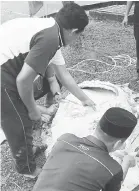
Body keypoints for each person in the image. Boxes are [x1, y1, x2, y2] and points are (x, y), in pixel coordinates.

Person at [1, 3, 95, 178]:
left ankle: (28, 148)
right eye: (79, 35)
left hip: (7, 65)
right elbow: (23, 81)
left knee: (21, 112)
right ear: (73, 31)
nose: (77, 39)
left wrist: (84, 99)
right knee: (18, 120)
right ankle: (27, 169)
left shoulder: (52, 29)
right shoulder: (50, 38)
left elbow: (64, 75)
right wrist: (33, 110)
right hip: (2, 71)